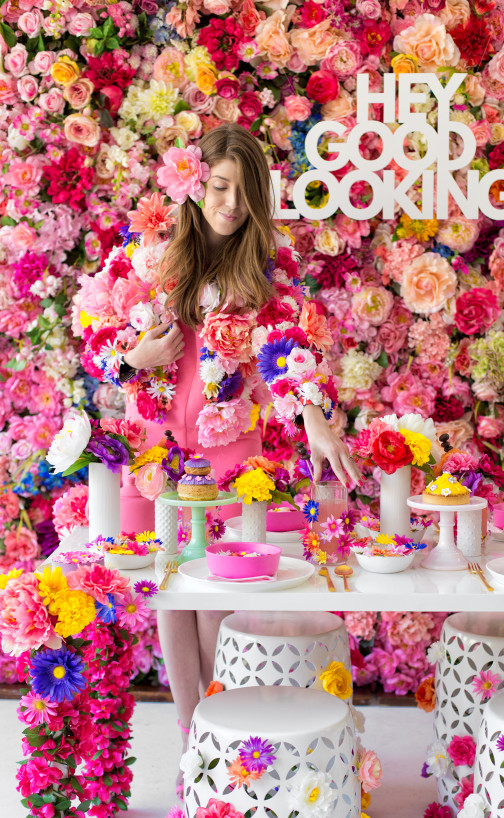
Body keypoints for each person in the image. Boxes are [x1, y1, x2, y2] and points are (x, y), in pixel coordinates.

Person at [76, 123, 361, 784]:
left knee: (213, 601)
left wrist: (315, 420)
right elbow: (101, 359)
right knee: (173, 597)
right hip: (156, 457)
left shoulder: (264, 271)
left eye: (245, 190)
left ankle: (219, 732)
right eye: (221, 186)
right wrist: (138, 357)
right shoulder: (143, 260)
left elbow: (286, 351)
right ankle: (190, 744)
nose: (232, 203)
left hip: (229, 459)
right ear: (195, 186)